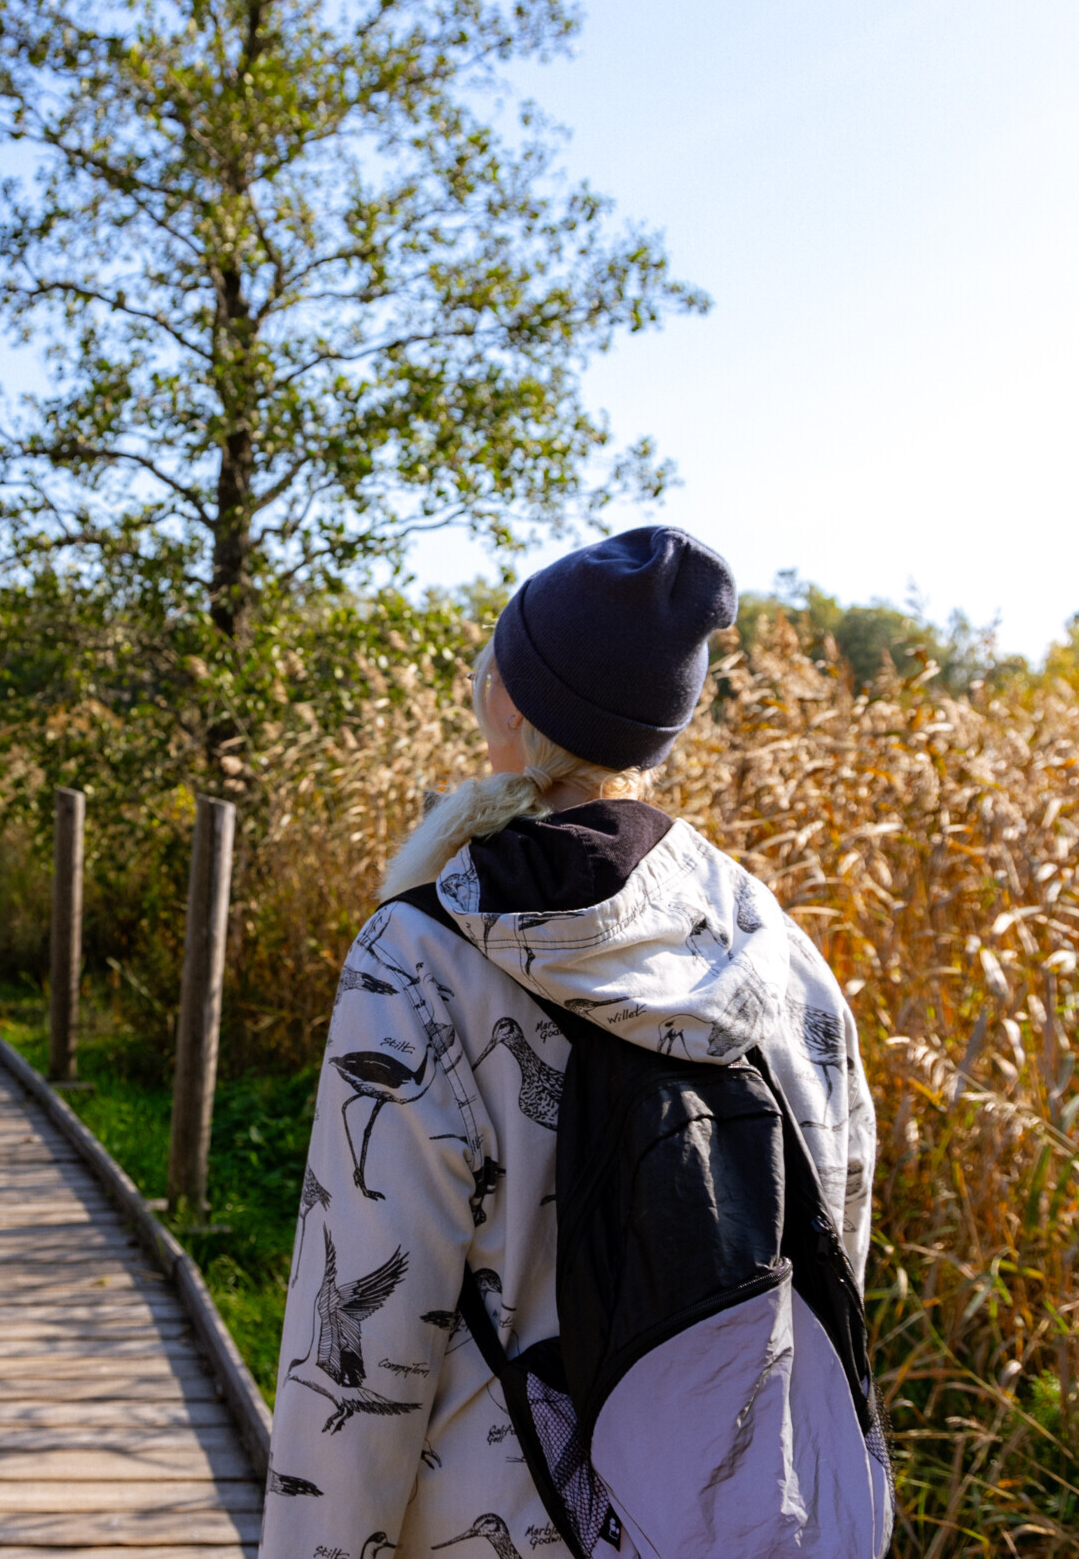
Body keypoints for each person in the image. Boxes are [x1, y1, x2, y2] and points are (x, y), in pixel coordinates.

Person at [260, 527, 881, 1558]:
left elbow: (361, 1341)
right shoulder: (780, 958)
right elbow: (830, 1258)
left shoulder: (419, 955)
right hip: (717, 1518)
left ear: (508, 699)